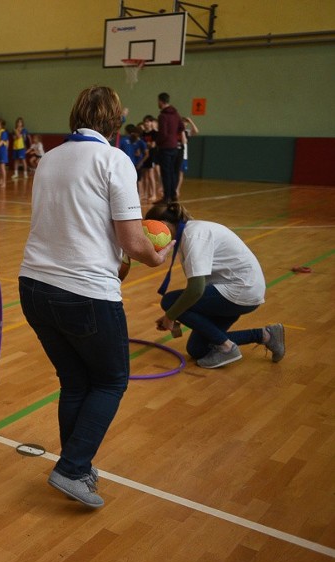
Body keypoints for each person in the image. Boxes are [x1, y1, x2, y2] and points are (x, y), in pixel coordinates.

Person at [19, 86, 173, 509]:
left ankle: (77, 467)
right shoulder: (114, 159)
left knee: (75, 382)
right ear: (114, 123)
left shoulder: (49, 158)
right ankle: (71, 469)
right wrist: (154, 257)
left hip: (33, 287)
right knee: (110, 381)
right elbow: (132, 238)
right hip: (83, 292)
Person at [146, 202, 285, 369]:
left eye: (151, 231)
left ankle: (227, 347)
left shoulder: (193, 236)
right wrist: (174, 313)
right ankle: (266, 335)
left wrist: (171, 315)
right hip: (235, 290)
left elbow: (196, 290)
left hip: (239, 291)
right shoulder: (190, 233)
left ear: (164, 225)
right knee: (197, 349)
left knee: (169, 301)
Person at [156, 92, 184, 203]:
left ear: (161, 101)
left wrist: (158, 142)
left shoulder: (163, 116)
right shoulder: (176, 114)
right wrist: (174, 136)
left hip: (165, 147)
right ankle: (173, 195)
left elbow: (163, 133)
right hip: (174, 147)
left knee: (166, 173)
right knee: (173, 172)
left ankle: (166, 197)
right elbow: (181, 127)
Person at [176, 116, 199, 198]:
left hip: (183, 156)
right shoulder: (176, 131)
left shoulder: (187, 132)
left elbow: (196, 131)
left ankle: (177, 189)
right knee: (174, 172)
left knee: (180, 173)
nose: (184, 123)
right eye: (182, 122)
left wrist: (191, 121)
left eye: (185, 122)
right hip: (176, 154)